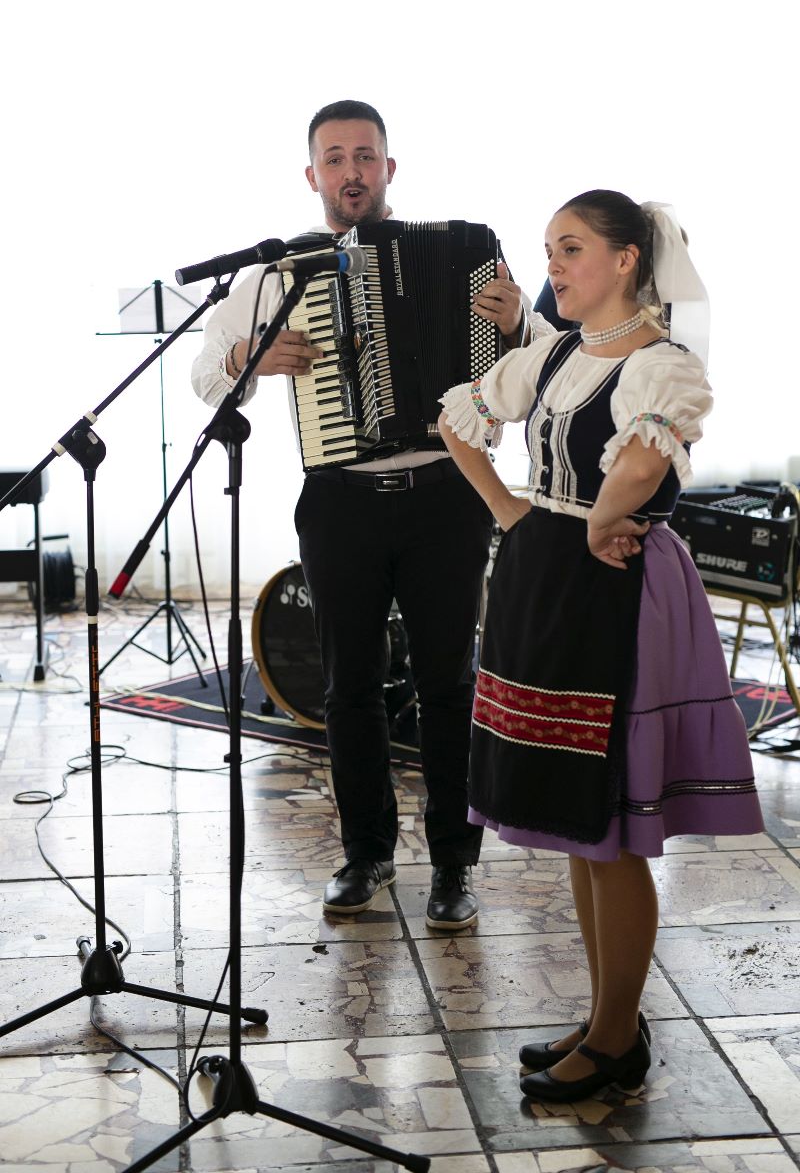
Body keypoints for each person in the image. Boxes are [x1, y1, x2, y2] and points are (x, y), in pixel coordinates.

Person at [438, 190, 763, 1100]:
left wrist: (596, 520)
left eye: (571, 248)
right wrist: (514, 513)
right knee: (578, 823)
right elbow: (458, 421)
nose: (553, 265)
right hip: (545, 574)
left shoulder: (664, 366)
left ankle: (618, 1038)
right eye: (550, 248)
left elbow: (644, 463)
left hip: (617, 589)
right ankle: (604, 1014)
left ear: (626, 260)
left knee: (609, 822)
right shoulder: (555, 354)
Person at [192, 100, 529, 929]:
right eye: (336, 158)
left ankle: (453, 864)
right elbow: (206, 376)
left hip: (446, 494)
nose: (352, 172)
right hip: (339, 499)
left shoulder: (465, 254)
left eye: (365, 156)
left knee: (449, 683)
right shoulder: (276, 275)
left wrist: (519, 321)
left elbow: (537, 367)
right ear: (312, 174)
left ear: (389, 168)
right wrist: (245, 357)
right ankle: (366, 853)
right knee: (348, 688)